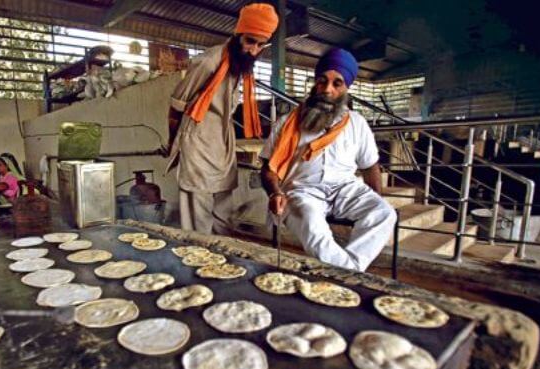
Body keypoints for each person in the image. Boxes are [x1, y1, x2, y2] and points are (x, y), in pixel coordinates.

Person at [259, 48, 396, 272]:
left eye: (336, 83)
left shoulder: (357, 123)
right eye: (322, 82)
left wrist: (374, 199)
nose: (327, 89)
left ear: (346, 88)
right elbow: (268, 169)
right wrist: (275, 192)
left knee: (384, 213)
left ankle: (346, 270)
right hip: (302, 191)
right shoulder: (287, 123)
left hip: (346, 189)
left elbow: (370, 166)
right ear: (315, 84)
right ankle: (349, 275)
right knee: (313, 226)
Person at [166, 3, 279, 235]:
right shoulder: (208, 62)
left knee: (223, 219)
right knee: (198, 223)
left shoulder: (240, 66)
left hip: (223, 144)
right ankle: (195, 265)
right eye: (250, 41)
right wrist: (172, 143)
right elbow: (176, 107)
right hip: (197, 143)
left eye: (260, 44)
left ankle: (223, 266)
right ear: (237, 35)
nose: (254, 50)